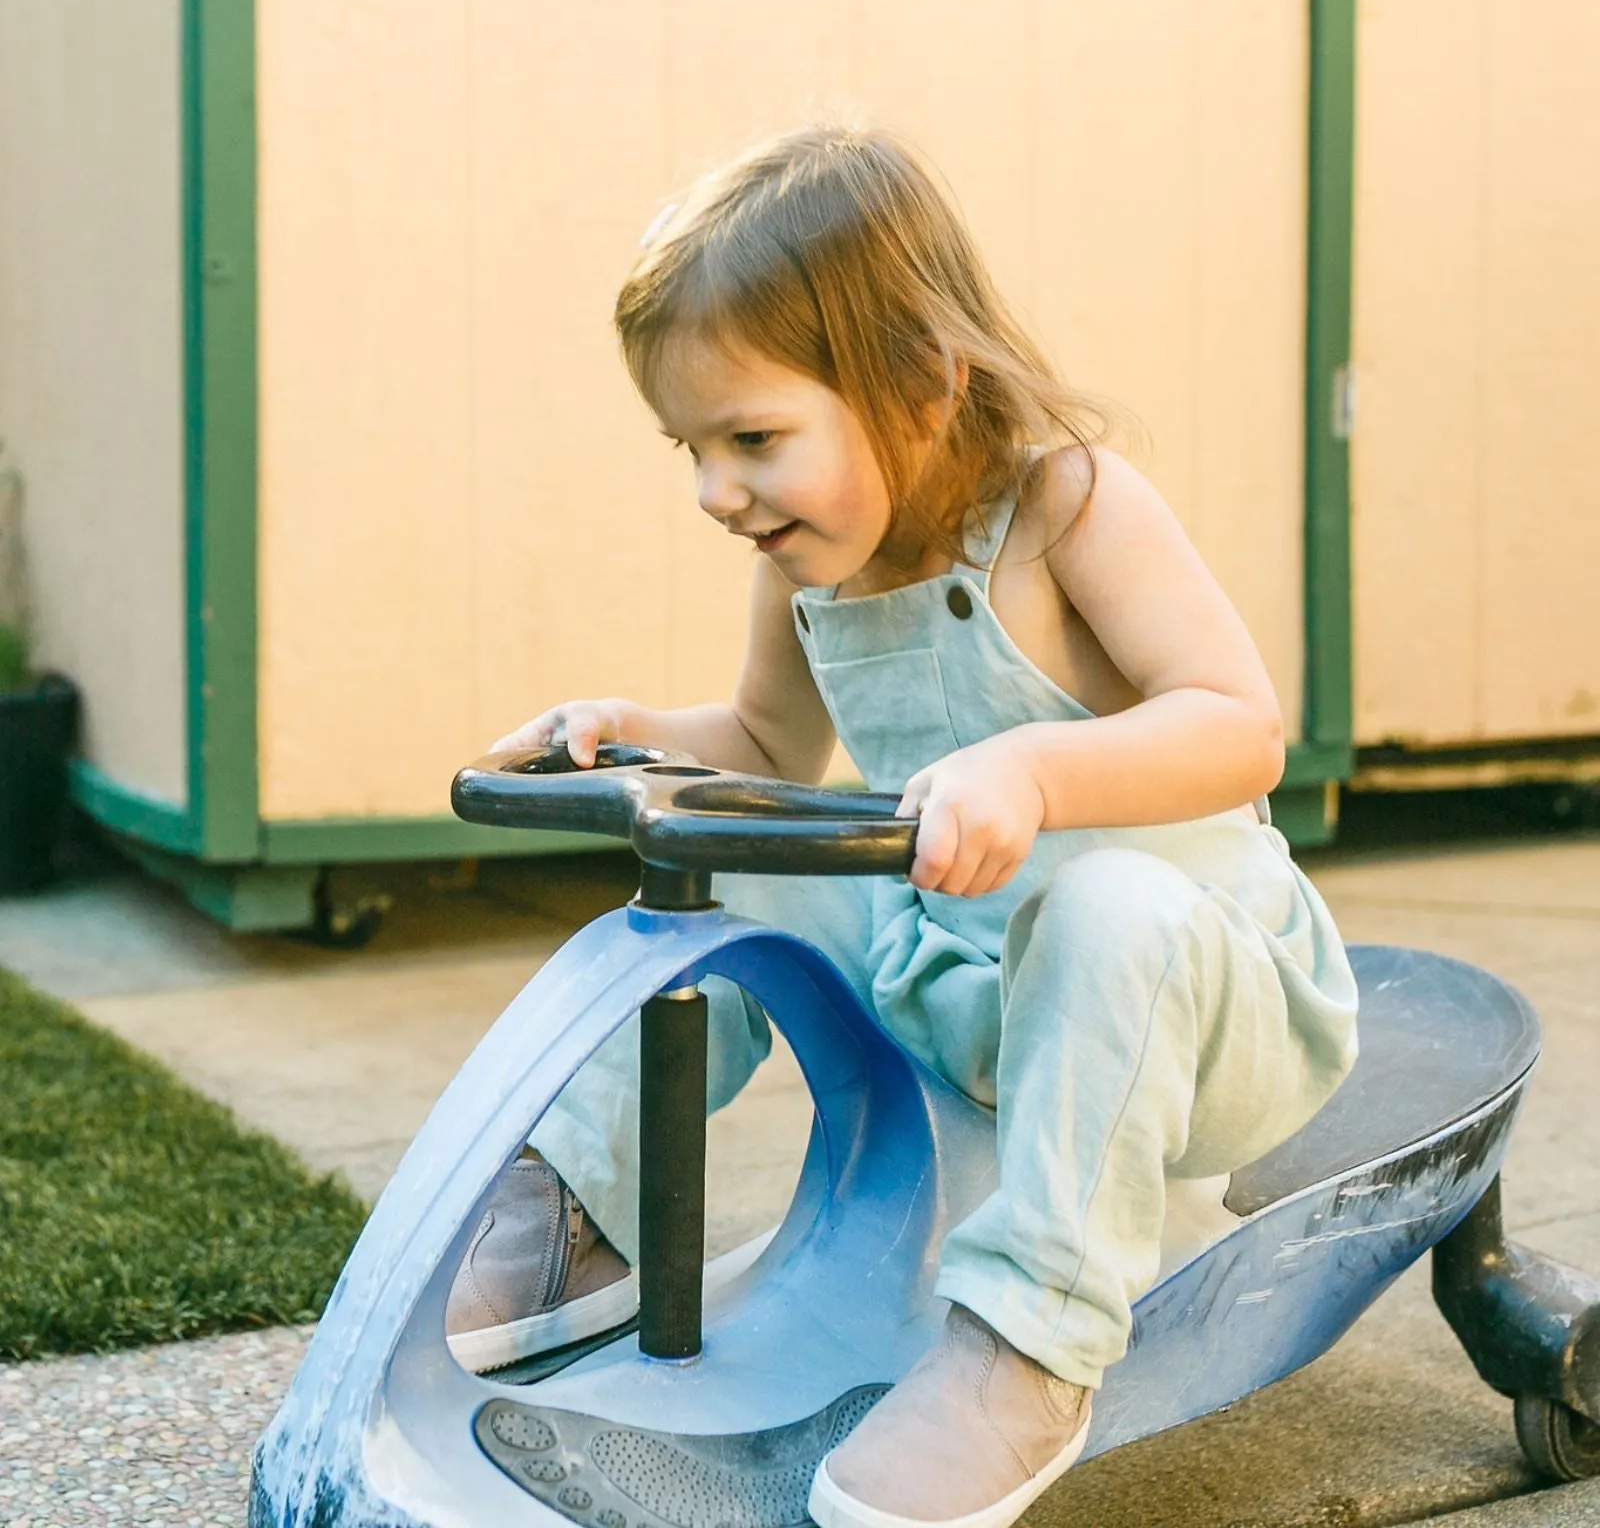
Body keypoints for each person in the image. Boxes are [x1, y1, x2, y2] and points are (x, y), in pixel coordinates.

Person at [447, 125, 1358, 1528]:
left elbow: (1240, 722)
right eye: (691, 447)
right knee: (735, 862)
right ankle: (585, 1207)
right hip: (967, 978)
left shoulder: (1069, 508)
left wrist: (1038, 773)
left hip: (1202, 999)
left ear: (923, 385)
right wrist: (634, 729)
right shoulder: (814, 558)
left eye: (752, 439)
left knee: (1108, 909)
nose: (715, 490)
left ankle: (1028, 1348)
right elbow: (764, 749)